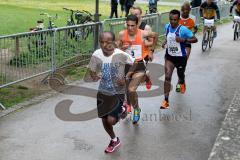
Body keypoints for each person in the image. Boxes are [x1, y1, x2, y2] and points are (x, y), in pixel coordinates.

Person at [88, 31, 134, 153]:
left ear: (114, 42)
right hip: (102, 92)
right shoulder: (96, 54)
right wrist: (95, 75)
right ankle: (114, 140)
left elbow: (135, 64)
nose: (104, 45)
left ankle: (122, 108)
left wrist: (126, 77)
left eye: (108, 42)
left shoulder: (121, 54)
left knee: (111, 120)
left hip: (117, 93)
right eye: (102, 42)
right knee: (104, 119)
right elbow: (92, 72)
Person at [118, 15, 155, 123]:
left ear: (137, 24)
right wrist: (121, 48)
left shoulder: (143, 33)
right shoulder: (122, 34)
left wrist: (150, 50)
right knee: (128, 91)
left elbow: (153, 39)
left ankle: (136, 110)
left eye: (133, 26)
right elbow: (117, 49)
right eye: (128, 25)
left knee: (131, 89)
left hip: (139, 64)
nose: (130, 28)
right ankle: (136, 107)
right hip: (127, 66)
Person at [161, 9, 198, 109]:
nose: (173, 22)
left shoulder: (183, 30)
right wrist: (165, 42)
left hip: (181, 57)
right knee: (167, 76)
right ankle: (166, 100)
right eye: (171, 19)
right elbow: (168, 37)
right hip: (169, 57)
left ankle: (182, 81)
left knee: (180, 75)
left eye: (175, 20)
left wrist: (184, 40)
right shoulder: (167, 26)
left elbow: (195, 39)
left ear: (178, 20)